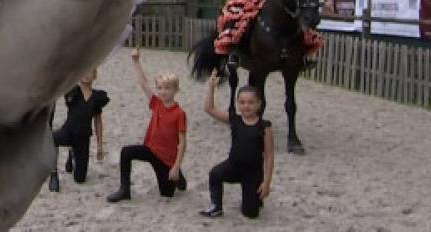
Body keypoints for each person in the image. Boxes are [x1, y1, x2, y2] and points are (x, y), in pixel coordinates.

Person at [106, 48, 187, 203]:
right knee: (126, 152)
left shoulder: (179, 113)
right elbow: (143, 83)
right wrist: (136, 61)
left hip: (166, 159)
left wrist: (176, 167)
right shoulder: (156, 103)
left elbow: (183, 143)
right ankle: (124, 190)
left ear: (175, 90)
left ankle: (178, 175)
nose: (163, 92)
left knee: (166, 194)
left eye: (167, 88)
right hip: (150, 149)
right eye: (160, 88)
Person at [199, 71, 274, 219]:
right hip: (233, 166)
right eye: (242, 102)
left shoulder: (265, 126)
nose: (246, 106)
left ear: (259, 104)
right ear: (237, 103)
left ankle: (254, 198)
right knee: (215, 173)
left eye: (251, 102)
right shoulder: (234, 120)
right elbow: (209, 109)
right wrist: (211, 87)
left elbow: (270, 156)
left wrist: (267, 182)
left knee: (250, 213)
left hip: (253, 172)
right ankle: (216, 206)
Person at [48, 68, 108, 192]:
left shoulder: (97, 97)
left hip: (83, 138)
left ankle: (72, 154)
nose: (86, 75)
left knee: (80, 179)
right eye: (83, 71)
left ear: (94, 76)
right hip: (68, 131)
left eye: (89, 71)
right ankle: (53, 174)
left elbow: (98, 121)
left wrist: (99, 145)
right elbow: (61, 83)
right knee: (51, 140)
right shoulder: (73, 91)